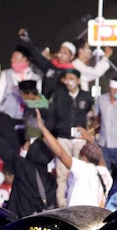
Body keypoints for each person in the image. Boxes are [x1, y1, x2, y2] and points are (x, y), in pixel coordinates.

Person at [0, 103, 56, 216]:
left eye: (27, 146)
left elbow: (2, 146)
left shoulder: (23, 167)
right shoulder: (51, 179)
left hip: (20, 222)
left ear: (33, 152)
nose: (23, 147)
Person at [36, 109, 111, 207]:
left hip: (78, 217)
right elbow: (99, 157)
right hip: (96, 217)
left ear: (83, 157)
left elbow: (60, 153)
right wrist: (89, 139)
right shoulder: (106, 173)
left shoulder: (82, 168)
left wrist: (42, 128)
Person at [44, 68, 94, 207]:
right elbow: (51, 117)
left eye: (72, 78)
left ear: (78, 80)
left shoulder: (86, 96)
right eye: (67, 78)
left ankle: (78, 204)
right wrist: (47, 134)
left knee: (80, 173)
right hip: (63, 137)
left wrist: (88, 131)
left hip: (79, 140)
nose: (69, 81)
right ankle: (62, 205)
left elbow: (93, 115)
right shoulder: (59, 95)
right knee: (62, 173)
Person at [15, 29, 76, 99]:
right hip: (45, 103)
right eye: (60, 52)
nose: (60, 55)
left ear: (71, 57)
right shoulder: (50, 67)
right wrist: (27, 41)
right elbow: (37, 56)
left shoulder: (72, 73)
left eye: (65, 53)